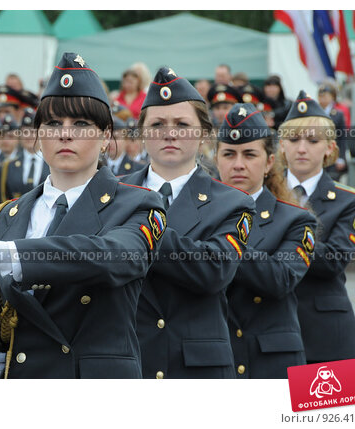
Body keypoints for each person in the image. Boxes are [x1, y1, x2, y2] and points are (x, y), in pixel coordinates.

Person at [0, 52, 166, 379]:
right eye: (54, 123)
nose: (65, 134)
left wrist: (4, 253)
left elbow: (113, 257)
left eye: (82, 124)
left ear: (105, 137)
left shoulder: (138, 204)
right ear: (38, 136)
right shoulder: (4, 215)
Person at [121, 66, 255, 379]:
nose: (170, 132)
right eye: (157, 124)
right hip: (127, 360)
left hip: (196, 370)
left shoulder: (233, 202)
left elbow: (213, 271)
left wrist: (140, 227)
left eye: (182, 124)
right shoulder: (112, 192)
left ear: (204, 133)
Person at [215, 102, 316, 378]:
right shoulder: (198, 216)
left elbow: (280, 279)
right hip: (212, 358)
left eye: (249, 154)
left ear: (270, 162)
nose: (238, 164)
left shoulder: (296, 220)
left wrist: (224, 241)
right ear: (216, 159)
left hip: (271, 363)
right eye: (229, 154)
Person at [278, 91, 355, 363]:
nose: (302, 148)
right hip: (268, 330)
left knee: (328, 406)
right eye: (293, 139)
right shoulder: (261, 197)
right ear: (281, 147)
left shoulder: (350, 201)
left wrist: (280, 241)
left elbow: (334, 259)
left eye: (313, 140)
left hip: (327, 336)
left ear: (329, 148)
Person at [317, 82, 348, 180]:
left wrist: (341, 157)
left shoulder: (338, 114)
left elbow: (342, 138)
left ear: (332, 97)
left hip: (333, 154)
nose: (322, 99)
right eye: (320, 96)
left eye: (325, 96)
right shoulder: (315, 113)